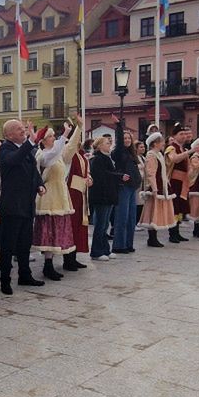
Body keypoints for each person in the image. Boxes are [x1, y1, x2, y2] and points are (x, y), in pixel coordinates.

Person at [0, 119, 46, 295]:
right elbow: (13, 161)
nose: (23, 131)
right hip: (12, 206)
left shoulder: (25, 151)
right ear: (9, 134)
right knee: (8, 246)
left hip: (27, 204)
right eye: (19, 129)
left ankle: (25, 275)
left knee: (25, 243)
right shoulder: (5, 149)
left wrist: (40, 184)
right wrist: (31, 142)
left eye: (23, 128)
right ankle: (5, 280)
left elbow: (34, 170)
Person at [33, 121, 81, 279]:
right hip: (48, 196)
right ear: (43, 140)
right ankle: (47, 265)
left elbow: (71, 148)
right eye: (51, 136)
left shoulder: (58, 153)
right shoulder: (41, 154)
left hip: (59, 195)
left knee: (57, 231)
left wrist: (77, 129)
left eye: (54, 136)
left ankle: (51, 264)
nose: (54, 138)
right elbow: (50, 156)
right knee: (49, 231)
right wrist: (64, 135)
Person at [88, 135, 124, 260]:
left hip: (108, 195)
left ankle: (105, 249)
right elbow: (102, 175)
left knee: (105, 224)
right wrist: (118, 176)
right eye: (106, 143)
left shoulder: (106, 158)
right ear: (99, 146)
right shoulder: (97, 159)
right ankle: (96, 251)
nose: (109, 144)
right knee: (100, 224)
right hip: (101, 196)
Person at [139, 132, 176, 246]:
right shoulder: (151, 155)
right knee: (152, 211)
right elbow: (151, 173)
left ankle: (153, 237)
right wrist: (154, 189)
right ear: (155, 143)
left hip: (161, 186)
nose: (163, 144)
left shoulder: (158, 154)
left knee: (157, 211)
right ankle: (152, 238)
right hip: (155, 188)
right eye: (161, 142)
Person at [111, 115, 141, 254]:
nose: (127, 140)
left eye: (129, 138)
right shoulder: (119, 152)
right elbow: (118, 142)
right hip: (123, 187)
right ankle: (119, 245)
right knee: (122, 217)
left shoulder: (132, 154)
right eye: (125, 138)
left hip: (132, 188)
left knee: (131, 218)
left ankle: (128, 244)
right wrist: (119, 126)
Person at [64, 120, 92, 271]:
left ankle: (74, 257)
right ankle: (67, 259)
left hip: (81, 195)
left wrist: (89, 179)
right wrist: (79, 127)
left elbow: (86, 172)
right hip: (71, 194)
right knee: (71, 226)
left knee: (79, 226)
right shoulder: (68, 155)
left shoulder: (82, 156)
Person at [165, 124, 192, 242]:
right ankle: (172, 233)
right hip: (174, 181)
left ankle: (177, 232)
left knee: (180, 206)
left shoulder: (182, 148)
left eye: (185, 134)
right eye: (181, 134)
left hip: (182, 181)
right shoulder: (171, 148)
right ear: (174, 136)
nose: (183, 136)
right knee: (174, 206)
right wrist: (190, 152)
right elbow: (174, 159)